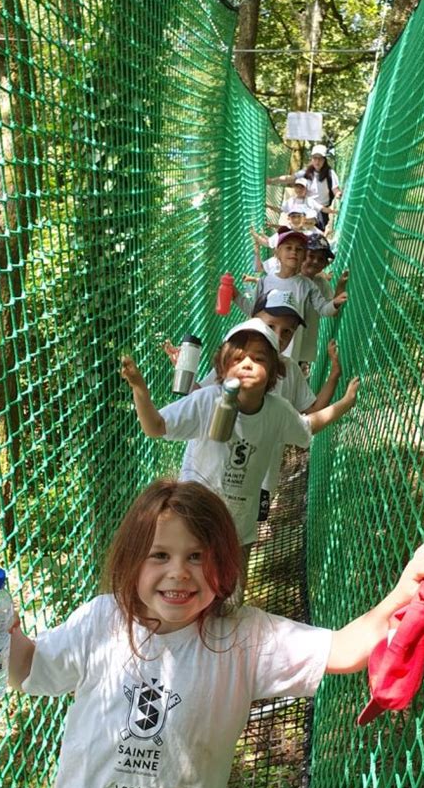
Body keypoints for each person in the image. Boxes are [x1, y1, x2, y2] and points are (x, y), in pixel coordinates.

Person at [8, 479, 424, 788]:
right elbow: (28, 668)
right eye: (159, 555)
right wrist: (1, 633)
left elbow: (343, 648)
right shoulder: (101, 622)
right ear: (131, 561)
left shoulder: (242, 639)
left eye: (196, 556)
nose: (178, 572)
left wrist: (401, 596)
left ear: (223, 565)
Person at [120, 318, 358, 568]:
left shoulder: (277, 411)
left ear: (274, 372)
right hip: (194, 516)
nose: (247, 364)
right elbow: (156, 427)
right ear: (222, 370)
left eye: (259, 359)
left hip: (240, 524)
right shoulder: (206, 401)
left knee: (233, 589)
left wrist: (345, 403)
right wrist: (139, 390)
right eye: (237, 359)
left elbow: (307, 426)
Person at [164, 290, 344, 518]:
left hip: (260, 476)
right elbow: (203, 395)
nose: (278, 336)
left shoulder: (289, 370)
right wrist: (183, 369)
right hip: (214, 473)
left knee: (244, 525)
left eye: (287, 331)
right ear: (254, 320)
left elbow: (311, 412)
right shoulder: (237, 362)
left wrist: (334, 376)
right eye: (271, 325)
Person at [233, 230, 348, 364]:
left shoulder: (308, 285)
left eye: (299, 249)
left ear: (303, 256)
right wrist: (235, 296)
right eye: (289, 248)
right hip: (263, 345)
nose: (294, 252)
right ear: (277, 254)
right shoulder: (265, 281)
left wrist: (335, 302)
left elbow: (323, 308)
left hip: (291, 351)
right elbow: (253, 310)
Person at [297, 233, 350, 371]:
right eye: (311, 256)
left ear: (325, 264)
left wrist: (340, 287)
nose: (315, 261)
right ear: (302, 255)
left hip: (302, 349)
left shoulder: (320, 283)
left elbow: (331, 310)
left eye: (320, 259)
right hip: (282, 344)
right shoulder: (290, 277)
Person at [267, 144, 342, 231]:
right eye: (315, 158)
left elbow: (335, 189)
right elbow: (290, 178)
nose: (317, 161)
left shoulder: (330, 173)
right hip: (307, 208)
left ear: (324, 160)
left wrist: (338, 194)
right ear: (312, 159)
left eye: (320, 158)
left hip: (321, 211)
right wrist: (272, 181)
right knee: (300, 232)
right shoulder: (307, 171)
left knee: (316, 235)